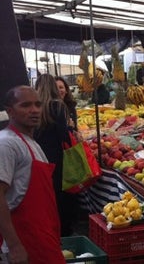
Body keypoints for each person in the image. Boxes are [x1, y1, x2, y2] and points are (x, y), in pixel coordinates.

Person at [0, 85, 65, 263]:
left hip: (41, 236)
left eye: (38, 104)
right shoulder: (6, 144)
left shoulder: (30, 142)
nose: (34, 110)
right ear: (10, 111)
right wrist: (14, 246)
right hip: (25, 240)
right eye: (26, 105)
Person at [33, 74, 75, 237]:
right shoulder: (57, 106)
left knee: (44, 194)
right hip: (56, 157)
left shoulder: (35, 106)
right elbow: (63, 136)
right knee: (59, 195)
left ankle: (47, 227)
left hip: (37, 155)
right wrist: (70, 128)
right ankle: (63, 230)